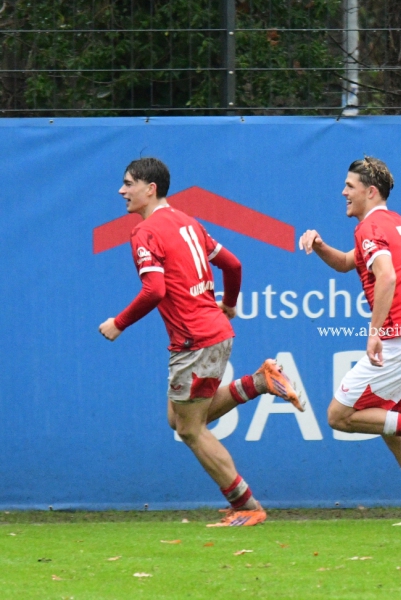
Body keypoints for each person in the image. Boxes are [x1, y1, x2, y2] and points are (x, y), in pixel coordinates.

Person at [98, 157, 303, 527]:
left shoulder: (145, 232)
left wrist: (119, 323)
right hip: (213, 332)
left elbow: (154, 290)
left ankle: (247, 507)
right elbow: (234, 265)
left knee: (190, 429)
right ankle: (260, 382)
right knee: (177, 419)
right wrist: (229, 304)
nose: (121, 190)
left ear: (150, 189)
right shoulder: (188, 223)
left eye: (128, 183)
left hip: (194, 339)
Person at [299, 156, 401, 526]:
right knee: (390, 424)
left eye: (349, 186)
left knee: (339, 416)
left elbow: (386, 277)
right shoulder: (393, 222)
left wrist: (374, 332)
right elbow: (346, 262)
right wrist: (319, 245)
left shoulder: (370, 227)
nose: (343, 192)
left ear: (370, 192)